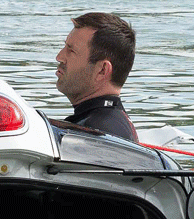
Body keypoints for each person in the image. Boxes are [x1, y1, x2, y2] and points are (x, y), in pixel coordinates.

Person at [54, 12, 137, 141]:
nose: (59, 57)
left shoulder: (98, 132)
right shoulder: (112, 123)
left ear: (102, 70)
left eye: (71, 50)